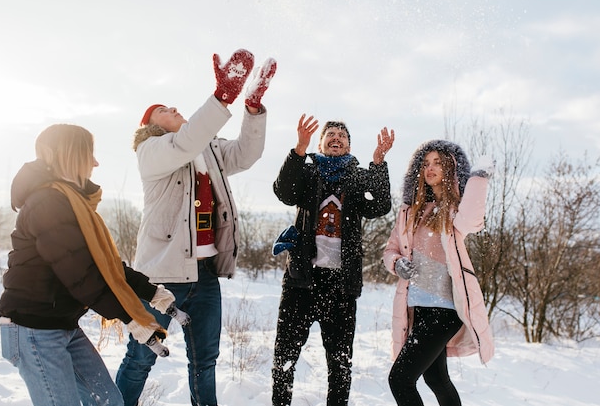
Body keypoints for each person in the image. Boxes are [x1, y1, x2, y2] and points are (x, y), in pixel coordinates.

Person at [115, 48, 276, 406]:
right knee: (140, 358)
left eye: (171, 105)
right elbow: (185, 142)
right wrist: (222, 97)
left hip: (204, 275)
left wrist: (252, 107)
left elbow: (246, 155)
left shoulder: (206, 149)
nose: (172, 108)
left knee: (205, 362)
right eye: (162, 110)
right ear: (151, 126)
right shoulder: (153, 151)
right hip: (160, 276)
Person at [0, 124, 181, 406]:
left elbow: (103, 264)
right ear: (68, 155)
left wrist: (151, 292)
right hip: (33, 328)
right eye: (89, 154)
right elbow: (81, 275)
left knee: (108, 401)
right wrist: (131, 318)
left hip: (61, 325)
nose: (95, 162)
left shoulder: (71, 202)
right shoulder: (47, 202)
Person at [271, 115, 395, 406]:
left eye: (342, 135)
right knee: (284, 358)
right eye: (331, 134)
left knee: (340, 364)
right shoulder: (308, 172)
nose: (336, 137)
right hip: (301, 279)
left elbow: (380, 205)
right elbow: (284, 192)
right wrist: (298, 150)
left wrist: (378, 163)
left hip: (341, 285)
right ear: (321, 143)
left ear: (349, 145)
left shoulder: (356, 175)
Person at [382, 139, 495, 406]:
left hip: (444, 311)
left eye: (437, 163)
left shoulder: (455, 209)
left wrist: (478, 179)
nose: (430, 168)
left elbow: (473, 221)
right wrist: (397, 263)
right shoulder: (410, 212)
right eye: (425, 163)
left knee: (400, 379)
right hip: (417, 310)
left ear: (450, 169)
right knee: (436, 380)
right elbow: (390, 249)